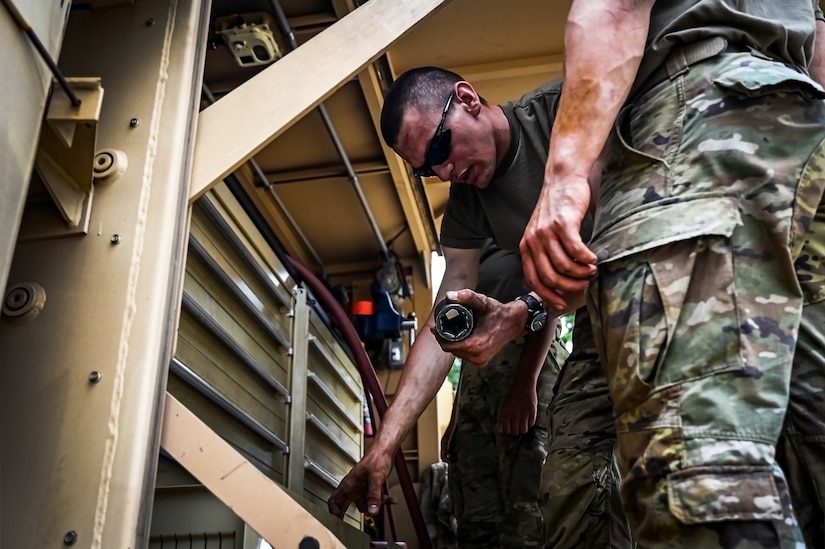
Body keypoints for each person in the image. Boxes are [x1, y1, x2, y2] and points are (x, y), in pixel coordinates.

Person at [510, 1, 825, 547]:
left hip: (698, 129)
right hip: (802, 122)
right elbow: (817, 40)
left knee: (701, 475)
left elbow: (617, 3)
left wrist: (563, 177)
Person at [328, 67, 632, 548]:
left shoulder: (564, 115)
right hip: (596, 326)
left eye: (439, 149)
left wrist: (523, 316)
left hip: (651, 289)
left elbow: (609, 247)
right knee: (571, 484)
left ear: (466, 99)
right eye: (429, 170)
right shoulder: (468, 203)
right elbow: (442, 325)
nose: (445, 173)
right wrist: (383, 448)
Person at [440, 241, 565, 548]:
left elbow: (551, 297)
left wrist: (525, 385)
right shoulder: (469, 238)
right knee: (475, 512)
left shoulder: (529, 209)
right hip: (477, 373)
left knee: (526, 507)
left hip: (527, 356)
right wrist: (457, 416)